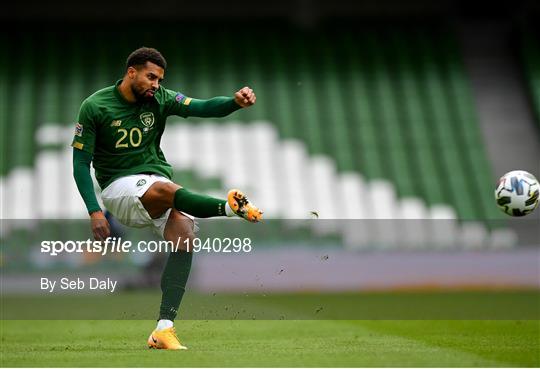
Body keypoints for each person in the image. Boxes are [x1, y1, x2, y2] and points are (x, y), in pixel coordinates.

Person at [72, 47, 263, 350]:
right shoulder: (95, 106)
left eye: (159, 79)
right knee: (170, 191)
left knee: (184, 236)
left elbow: (200, 107)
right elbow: (81, 163)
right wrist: (94, 212)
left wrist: (234, 103)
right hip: (118, 188)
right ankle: (229, 208)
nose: (156, 85)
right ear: (131, 72)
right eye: (151, 77)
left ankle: (164, 329)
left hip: (154, 181)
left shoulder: (160, 99)